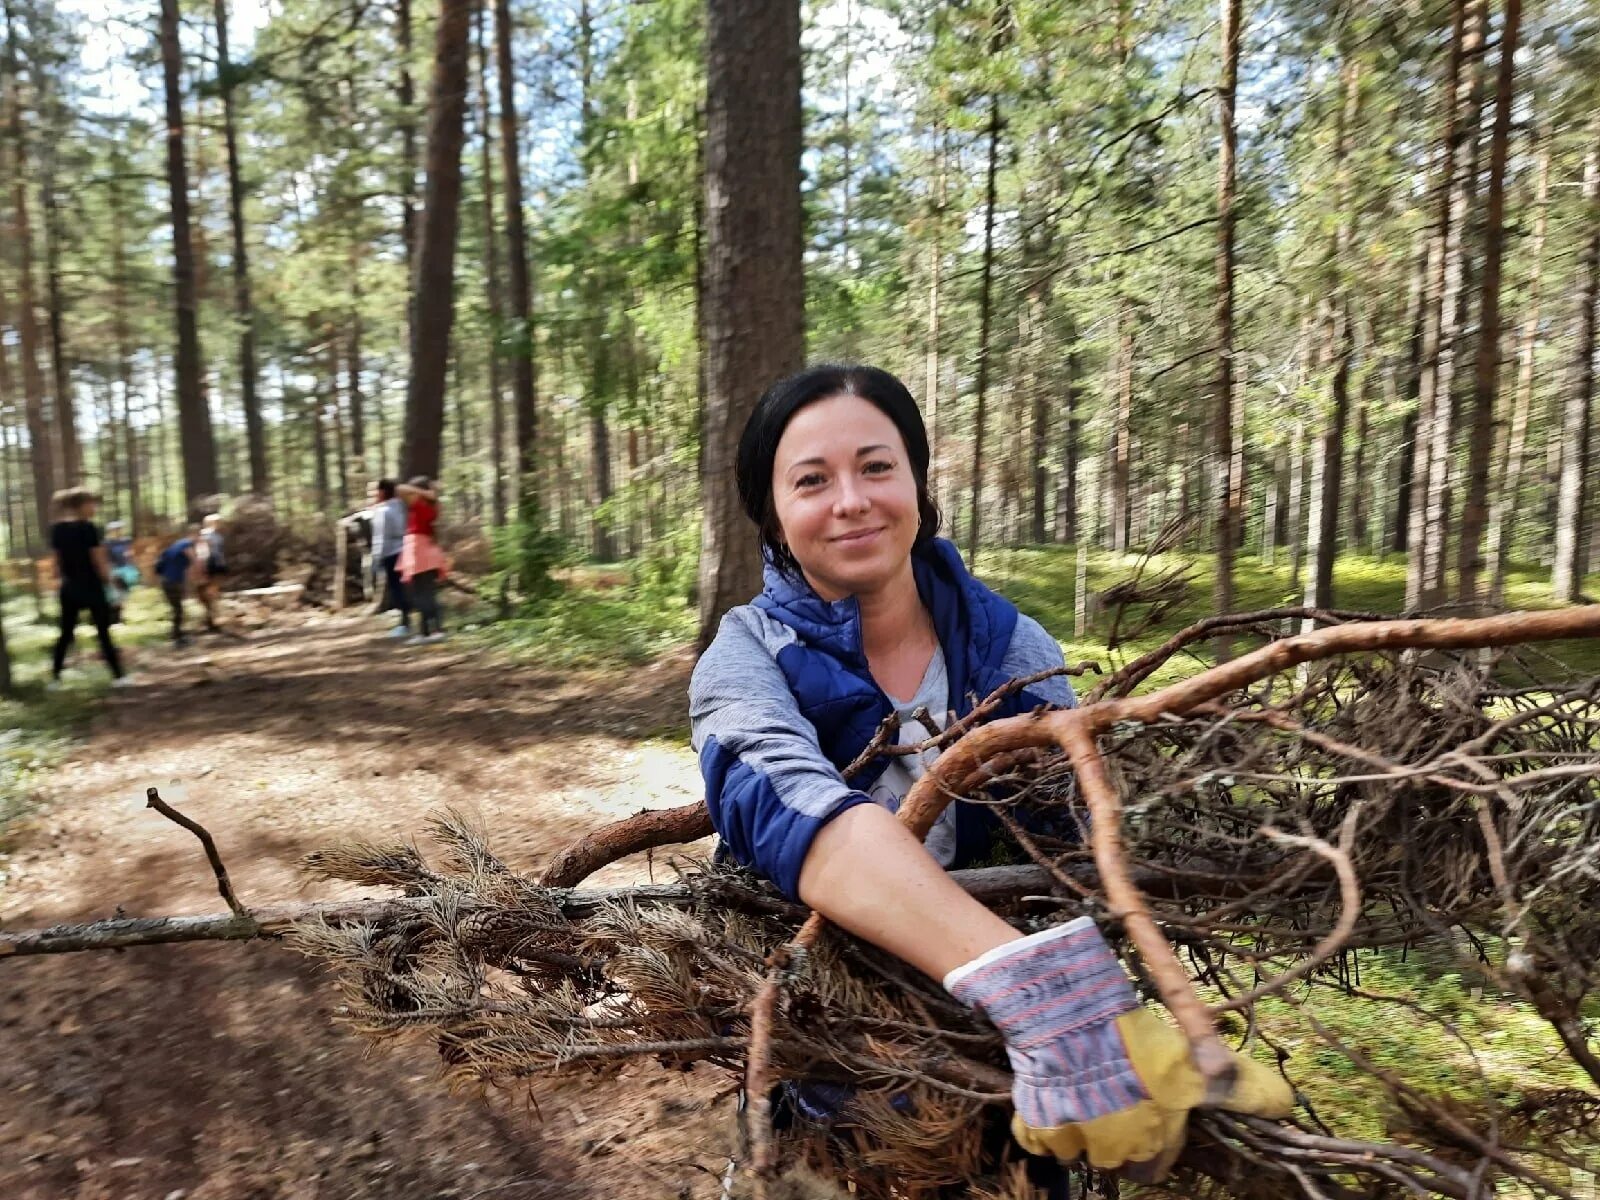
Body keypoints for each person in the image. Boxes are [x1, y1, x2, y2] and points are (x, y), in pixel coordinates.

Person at [689, 366, 1292, 1186]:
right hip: (834, 1062)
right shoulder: (744, 659)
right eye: (811, 480)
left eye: (876, 466)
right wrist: (1045, 994)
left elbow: (1061, 856)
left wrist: (1115, 1029)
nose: (852, 500)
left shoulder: (1014, 648)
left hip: (1007, 1077)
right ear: (771, 513)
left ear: (916, 480)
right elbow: (791, 810)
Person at [48, 487, 130, 688]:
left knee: (66, 633)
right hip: (91, 585)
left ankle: (55, 679)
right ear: (81, 505)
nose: (94, 507)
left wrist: (57, 582)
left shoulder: (57, 529)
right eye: (91, 504)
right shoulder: (89, 528)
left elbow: (56, 561)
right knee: (102, 631)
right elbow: (99, 560)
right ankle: (119, 677)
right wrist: (112, 585)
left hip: (69, 587)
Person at [396, 477, 448, 643]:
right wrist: (428, 492)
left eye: (414, 491)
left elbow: (400, 489)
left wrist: (421, 492)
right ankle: (428, 631)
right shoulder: (428, 504)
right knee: (425, 592)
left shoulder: (421, 504)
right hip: (422, 549)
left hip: (419, 550)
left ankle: (433, 631)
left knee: (422, 593)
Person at [368, 479, 412, 638]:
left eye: (375, 492)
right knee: (403, 587)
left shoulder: (383, 511)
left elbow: (380, 537)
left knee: (397, 589)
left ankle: (405, 624)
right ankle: (407, 621)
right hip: (404, 549)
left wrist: (376, 558)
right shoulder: (401, 507)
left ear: (382, 492)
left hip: (390, 553)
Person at [155, 528, 198, 646]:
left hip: (166, 581)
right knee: (178, 610)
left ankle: (177, 634)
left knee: (177, 609)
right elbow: (194, 559)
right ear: (193, 535)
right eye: (197, 537)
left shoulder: (175, 546)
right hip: (172, 582)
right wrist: (199, 572)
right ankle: (176, 637)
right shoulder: (187, 544)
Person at [193, 513, 228, 631]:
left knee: (211, 592)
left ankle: (211, 618)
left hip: (213, 564)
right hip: (211, 565)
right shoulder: (207, 535)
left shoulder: (215, 535)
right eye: (218, 522)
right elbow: (203, 553)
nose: (220, 525)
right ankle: (211, 618)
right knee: (209, 592)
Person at [104, 520, 140, 624]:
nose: (118, 531)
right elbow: (106, 559)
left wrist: (133, 566)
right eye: (115, 530)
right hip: (114, 570)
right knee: (114, 595)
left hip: (126, 570)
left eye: (120, 529)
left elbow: (130, 555)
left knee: (123, 594)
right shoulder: (107, 544)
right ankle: (112, 619)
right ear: (110, 531)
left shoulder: (126, 541)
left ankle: (118, 618)